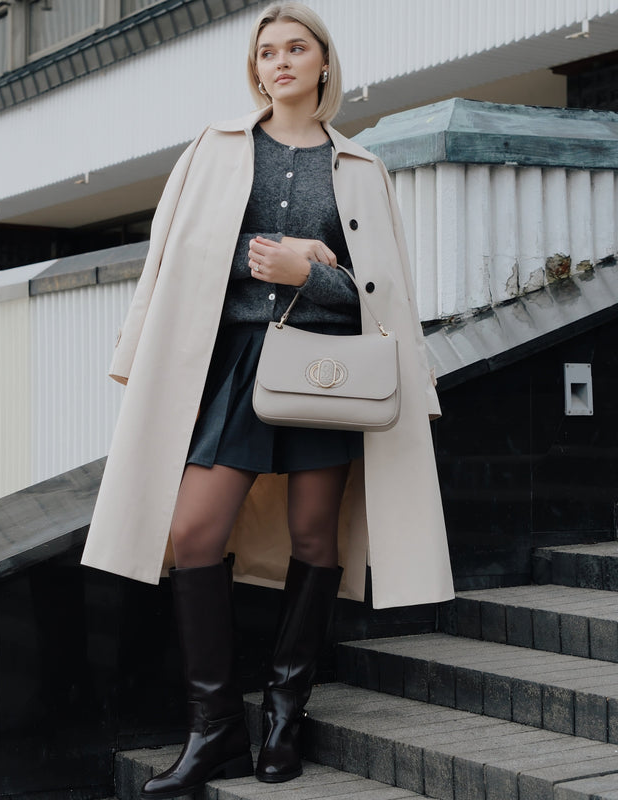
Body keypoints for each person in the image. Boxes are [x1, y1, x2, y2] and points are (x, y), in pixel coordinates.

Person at [82, 2, 455, 797]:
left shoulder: (361, 167)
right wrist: (137, 348)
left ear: (323, 64)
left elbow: (379, 296)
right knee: (193, 532)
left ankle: (285, 714)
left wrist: (311, 272)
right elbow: (171, 262)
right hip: (231, 367)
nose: (279, 62)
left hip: (324, 372)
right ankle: (213, 727)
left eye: (295, 48)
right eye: (266, 52)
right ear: (254, 69)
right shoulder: (216, 151)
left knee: (316, 539)